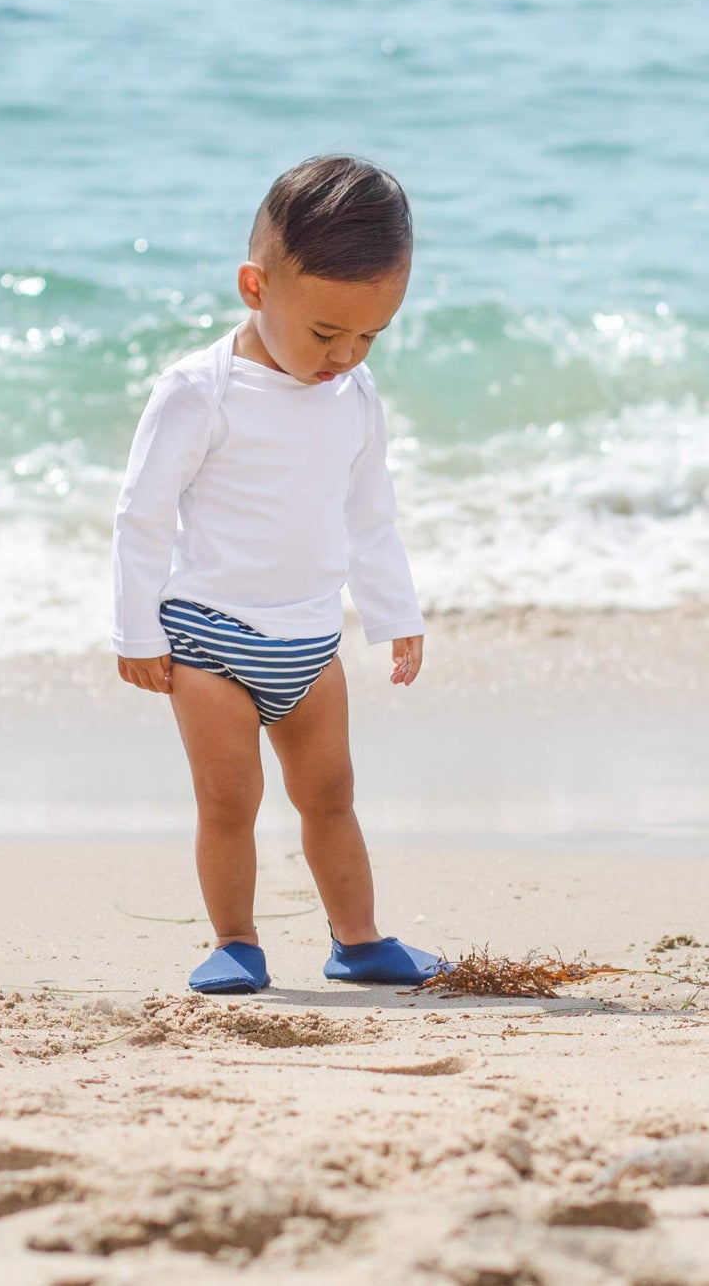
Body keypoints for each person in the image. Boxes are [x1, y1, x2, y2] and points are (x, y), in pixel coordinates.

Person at [111, 155, 452, 993]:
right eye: (325, 332)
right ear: (255, 287)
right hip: (208, 639)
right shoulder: (202, 390)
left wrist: (393, 614)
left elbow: (369, 515)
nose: (344, 354)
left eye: (369, 335)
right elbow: (141, 513)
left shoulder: (355, 396)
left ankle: (359, 939)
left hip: (309, 638)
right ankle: (236, 940)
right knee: (230, 802)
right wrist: (134, 629)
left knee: (330, 797)